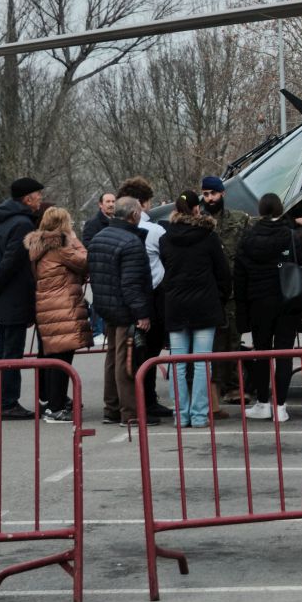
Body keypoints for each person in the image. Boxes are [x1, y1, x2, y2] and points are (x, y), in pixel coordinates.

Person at [158, 191, 231, 429]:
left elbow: (165, 270)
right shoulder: (208, 237)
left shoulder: (165, 238)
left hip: (176, 304)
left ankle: (181, 414)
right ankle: (199, 414)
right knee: (202, 362)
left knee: (178, 363)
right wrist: (220, 297)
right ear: (196, 209)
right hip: (204, 305)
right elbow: (223, 272)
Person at [0, 178, 46, 420]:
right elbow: (10, 262)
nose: (40, 199)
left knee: (3, 352)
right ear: (27, 198)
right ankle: (6, 402)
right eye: (38, 195)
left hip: (2, 296)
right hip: (12, 296)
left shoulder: (2, 218)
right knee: (11, 354)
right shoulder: (21, 224)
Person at [234, 191, 302, 421]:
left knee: (262, 352)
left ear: (260, 211)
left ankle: (263, 402)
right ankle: (280, 407)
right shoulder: (292, 237)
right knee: (284, 353)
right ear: (280, 209)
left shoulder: (248, 238)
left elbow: (240, 278)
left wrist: (242, 313)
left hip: (258, 303)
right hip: (287, 301)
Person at [87, 194, 155, 426]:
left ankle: (112, 408)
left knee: (112, 359)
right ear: (134, 215)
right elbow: (131, 283)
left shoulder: (98, 238)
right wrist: (142, 313)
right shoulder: (131, 242)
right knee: (127, 360)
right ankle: (130, 412)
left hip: (106, 307)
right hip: (125, 308)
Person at [25, 206, 88, 422]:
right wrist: (74, 240)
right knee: (62, 359)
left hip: (47, 305)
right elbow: (84, 261)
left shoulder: (39, 245)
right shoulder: (60, 247)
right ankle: (56, 407)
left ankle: (54, 400)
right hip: (62, 306)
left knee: (54, 358)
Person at [118, 177, 172, 420]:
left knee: (130, 354)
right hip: (152, 296)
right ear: (142, 204)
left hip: (126, 298)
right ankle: (147, 400)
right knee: (149, 352)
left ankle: (137, 401)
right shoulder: (155, 230)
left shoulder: (114, 230)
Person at [201, 176, 251, 406]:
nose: (209, 198)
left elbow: (265, 224)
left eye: (213, 193)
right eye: (206, 194)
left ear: (223, 194)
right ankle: (213, 388)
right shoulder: (198, 221)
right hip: (207, 291)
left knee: (232, 338)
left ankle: (233, 387)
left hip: (231, 291)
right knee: (210, 343)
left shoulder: (239, 220)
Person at [80, 191, 116, 345]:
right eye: (107, 201)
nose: (111, 204)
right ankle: (97, 331)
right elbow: (87, 245)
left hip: (115, 269)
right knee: (99, 300)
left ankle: (110, 331)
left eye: (113, 201)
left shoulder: (117, 221)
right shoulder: (93, 223)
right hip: (100, 268)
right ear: (100, 204)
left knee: (113, 300)